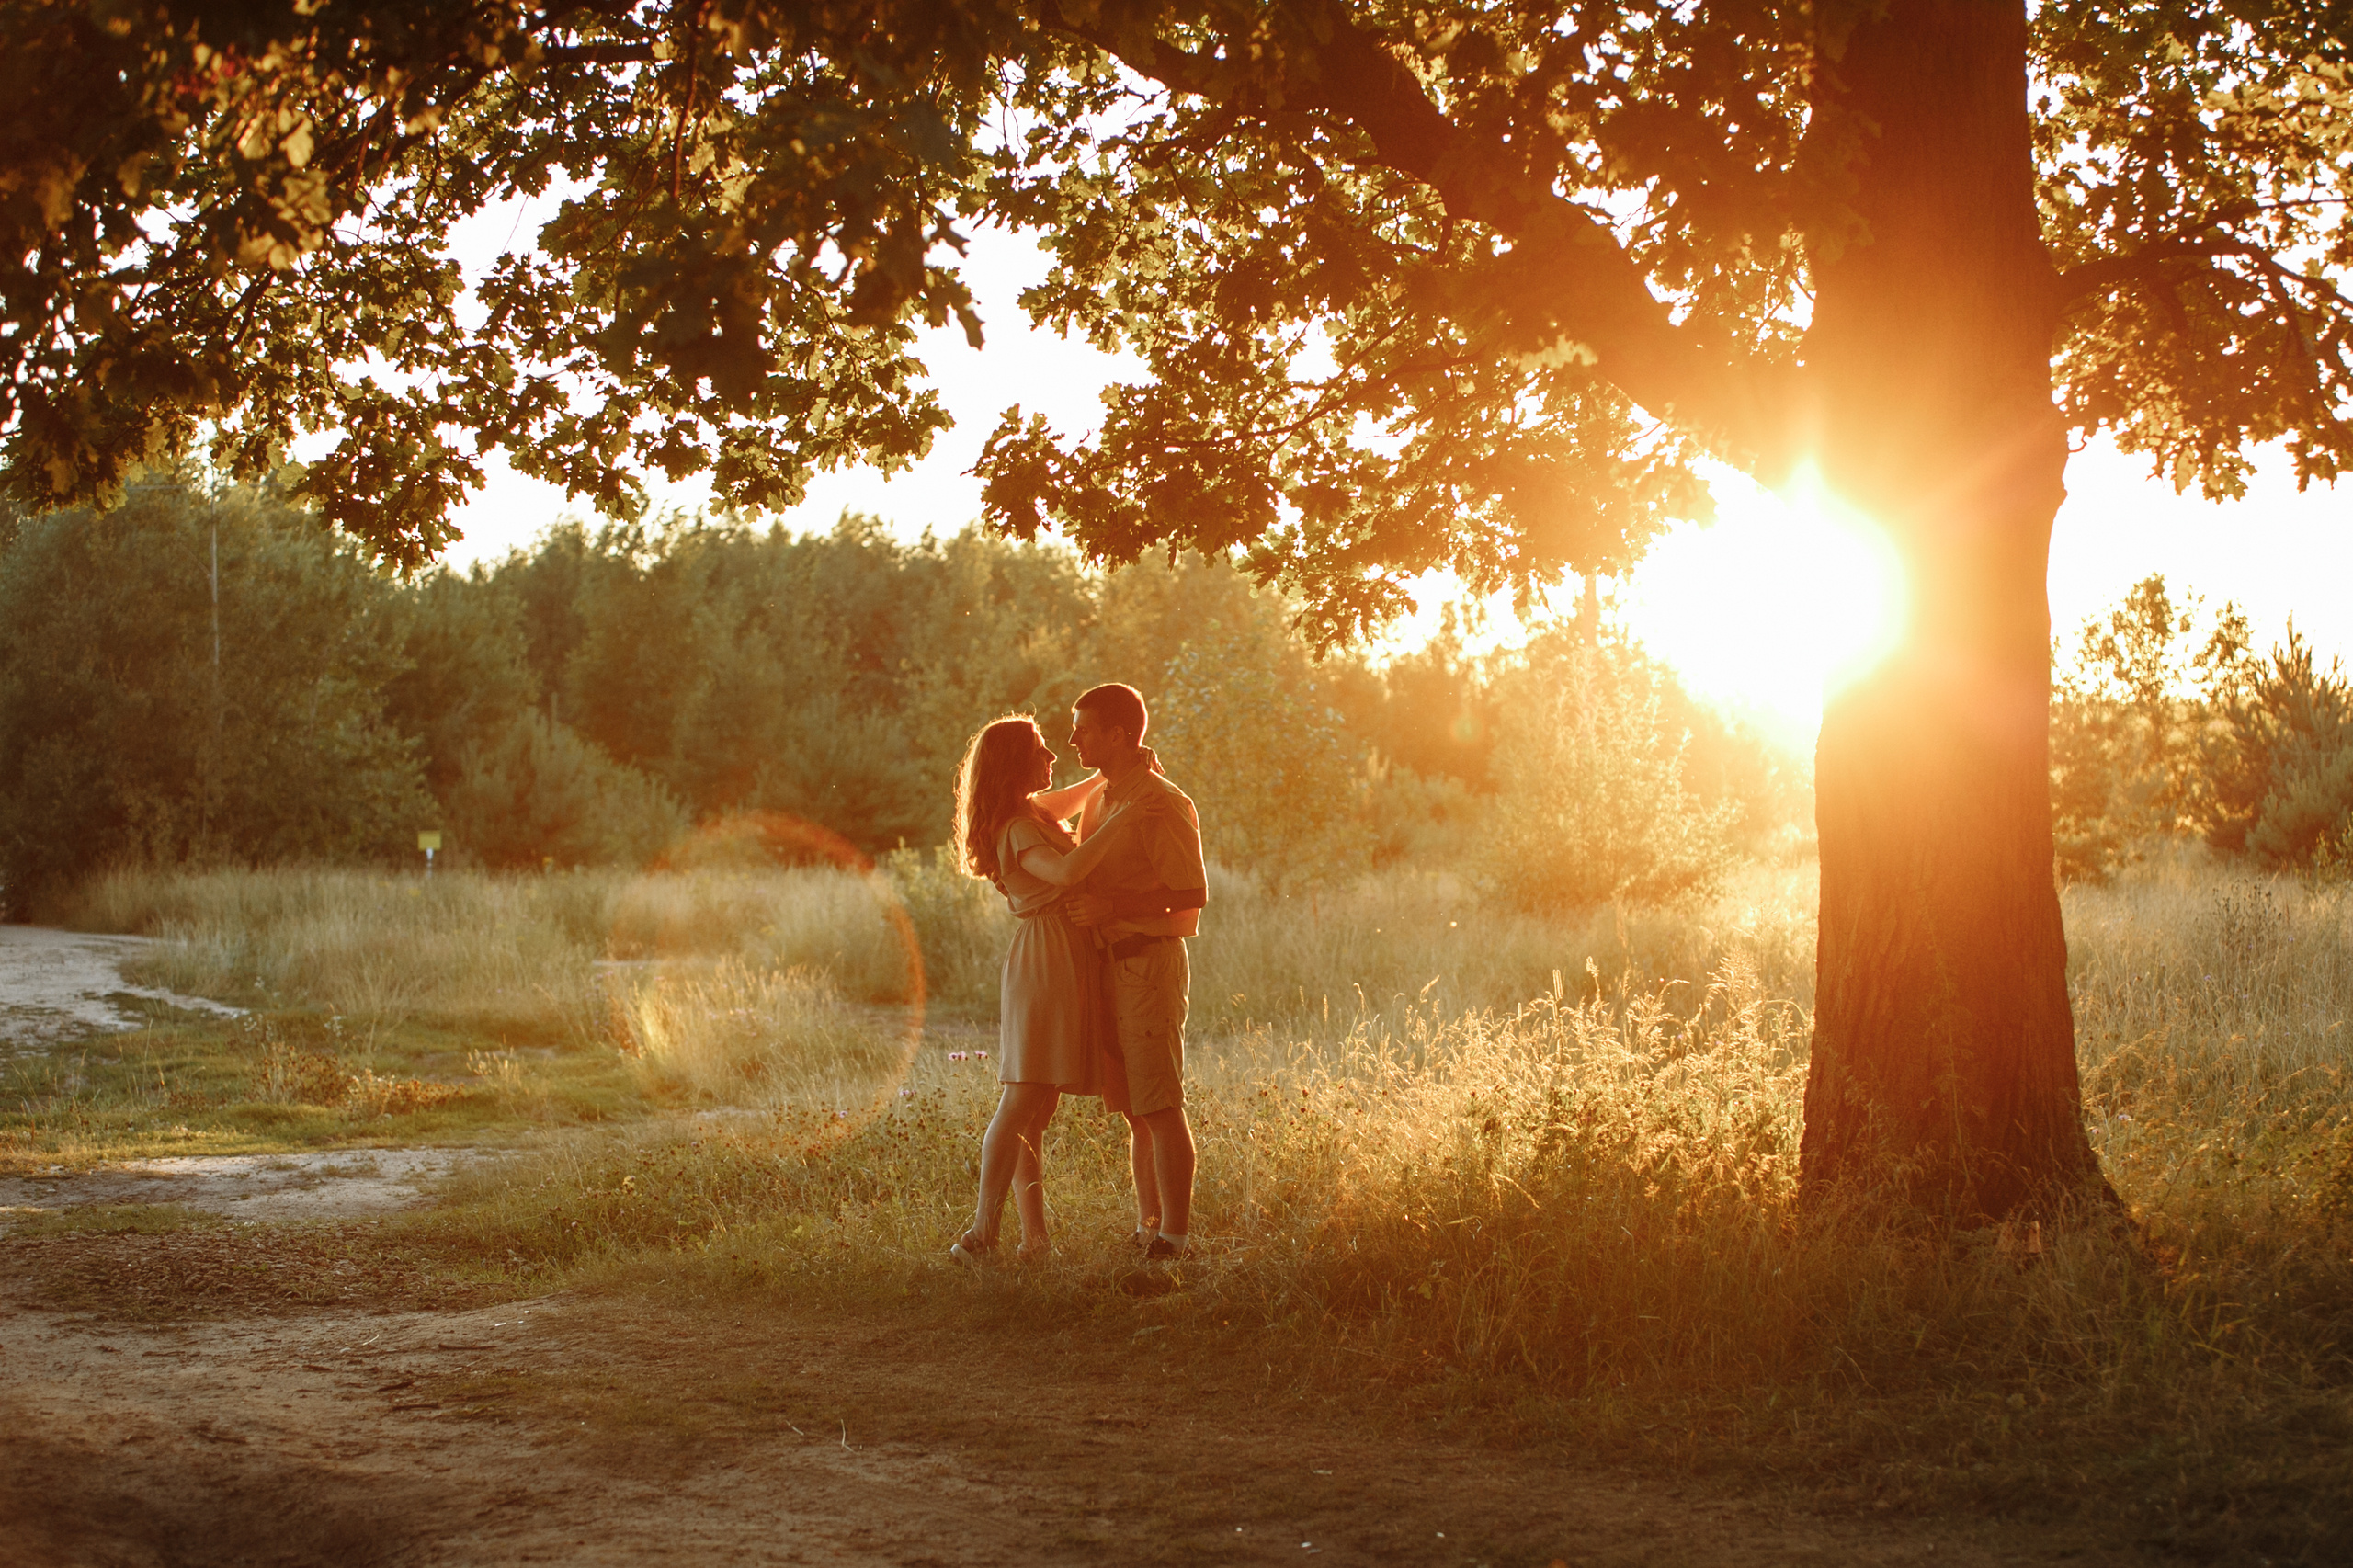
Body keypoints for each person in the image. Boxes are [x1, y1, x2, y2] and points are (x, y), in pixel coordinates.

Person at [948, 714, 1138, 1264]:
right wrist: (1124, 820)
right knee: (1023, 1098)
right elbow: (1067, 873)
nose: (1053, 756)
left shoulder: (1028, 811)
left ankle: (1036, 1243)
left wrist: (1117, 775)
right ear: (1014, 763)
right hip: (1046, 961)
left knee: (1038, 1108)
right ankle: (981, 1234)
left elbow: (1076, 798)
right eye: (1040, 749)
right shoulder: (1016, 828)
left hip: (1063, 957)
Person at [1063, 683, 1209, 1263]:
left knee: (1159, 1103)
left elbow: (1191, 897)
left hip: (1148, 967)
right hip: (1107, 971)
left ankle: (1174, 1238)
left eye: (1084, 726)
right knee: (1131, 1108)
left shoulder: (1161, 802)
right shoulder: (1104, 795)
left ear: (1119, 733)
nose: (1073, 737)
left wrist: (1114, 912)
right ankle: (1148, 1227)